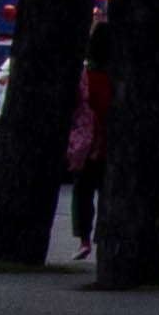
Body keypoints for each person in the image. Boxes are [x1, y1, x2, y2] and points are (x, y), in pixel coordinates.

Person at [62, 43, 108, 260]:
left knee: (83, 191)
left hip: (86, 143)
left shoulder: (84, 76)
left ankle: (84, 239)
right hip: (110, 142)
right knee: (108, 192)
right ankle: (105, 236)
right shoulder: (120, 77)